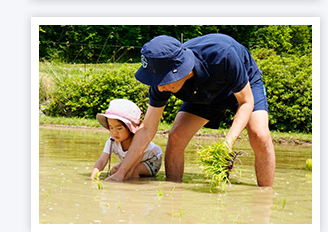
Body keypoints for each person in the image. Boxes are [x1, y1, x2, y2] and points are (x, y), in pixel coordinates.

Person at [106, 34, 275, 187]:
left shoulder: (223, 55)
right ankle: (173, 192)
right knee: (176, 136)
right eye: (155, 80)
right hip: (201, 93)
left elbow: (246, 101)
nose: (160, 87)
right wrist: (122, 173)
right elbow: (147, 128)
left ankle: (266, 196)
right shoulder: (160, 84)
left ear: (179, 70)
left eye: (163, 80)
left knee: (260, 135)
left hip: (243, 87)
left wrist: (227, 144)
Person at [91, 99, 163, 180]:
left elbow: (136, 159)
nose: (114, 132)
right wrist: (94, 177)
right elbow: (102, 160)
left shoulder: (139, 141)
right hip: (131, 160)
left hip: (151, 160)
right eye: (111, 127)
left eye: (119, 128)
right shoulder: (111, 142)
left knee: (132, 173)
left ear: (130, 128)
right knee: (114, 171)